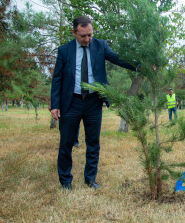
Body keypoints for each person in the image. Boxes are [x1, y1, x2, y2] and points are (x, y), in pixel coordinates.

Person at [50, 16, 137, 190]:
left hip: (93, 103)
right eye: (83, 36)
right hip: (71, 103)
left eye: (90, 35)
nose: (87, 39)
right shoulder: (64, 50)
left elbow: (118, 59)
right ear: (74, 33)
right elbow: (57, 79)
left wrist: (140, 65)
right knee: (66, 144)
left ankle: (90, 179)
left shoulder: (100, 46)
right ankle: (65, 181)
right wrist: (55, 105)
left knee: (93, 143)